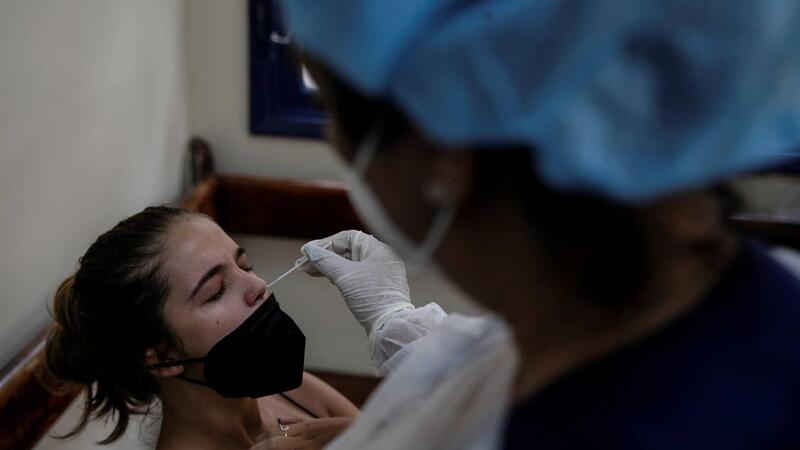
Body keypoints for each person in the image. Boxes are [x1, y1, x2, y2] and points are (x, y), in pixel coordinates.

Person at [275, 1, 800, 449]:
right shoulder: (750, 304)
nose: (336, 144)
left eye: (330, 108)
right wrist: (393, 322)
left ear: (443, 148)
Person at [45, 206, 358, 450]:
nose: (258, 284)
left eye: (245, 265)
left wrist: (343, 433)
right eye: (216, 291)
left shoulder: (291, 389)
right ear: (162, 355)